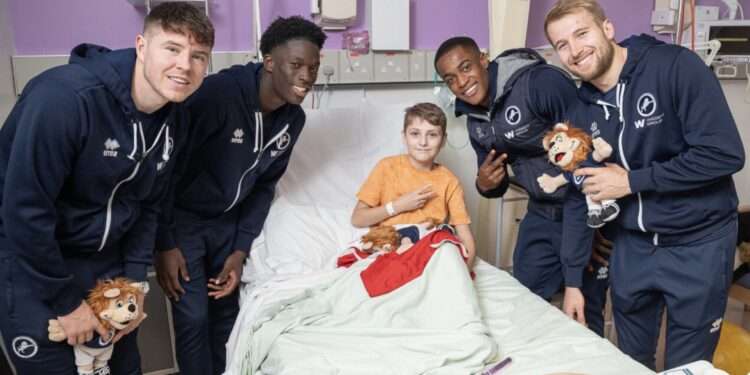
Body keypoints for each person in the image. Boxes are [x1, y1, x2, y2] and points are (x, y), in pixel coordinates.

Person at [0, 3, 213, 374]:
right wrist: (66, 304)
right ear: (142, 46)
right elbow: (24, 213)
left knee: (124, 367)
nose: (185, 65)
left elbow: (148, 206)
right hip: (33, 265)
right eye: (172, 48)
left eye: (198, 56)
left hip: (106, 267)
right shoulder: (65, 101)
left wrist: (133, 284)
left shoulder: (175, 119)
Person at [544, 0, 745, 369]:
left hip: (697, 244)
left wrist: (632, 182)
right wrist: (572, 280)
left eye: (581, 33)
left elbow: (724, 154)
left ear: (607, 29)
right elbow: (578, 193)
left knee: (688, 365)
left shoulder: (674, 67)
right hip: (633, 249)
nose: (574, 51)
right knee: (628, 361)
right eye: (562, 45)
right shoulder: (581, 108)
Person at [154, 16, 326, 375]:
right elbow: (168, 171)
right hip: (184, 221)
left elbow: (264, 186)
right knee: (194, 317)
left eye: (314, 67)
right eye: (296, 65)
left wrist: (239, 249)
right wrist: (166, 242)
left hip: (228, 226)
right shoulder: (217, 97)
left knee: (226, 316)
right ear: (269, 62)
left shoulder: (292, 121)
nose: (307, 76)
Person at [434, 37, 604, 328]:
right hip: (540, 213)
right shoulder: (475, 119)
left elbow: (592, 147)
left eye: (466, 68)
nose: (462, 83)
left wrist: (597, 223)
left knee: (585, 315)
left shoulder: (539, 83)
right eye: (451, 79)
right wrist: (485, 184)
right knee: (524, 304)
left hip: (582, 212)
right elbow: (493, 181)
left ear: (483, 59)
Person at [351, 102, 476, 267]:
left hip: (428, 250)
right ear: (404, 137)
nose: (423, 142)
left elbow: (465, 236)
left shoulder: (449, 181)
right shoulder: (387, 167)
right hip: (392, 246)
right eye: (415, 134)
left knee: (446, 241)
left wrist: (465, 271)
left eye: (432, 135)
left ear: (443, 140)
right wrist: (397, 206)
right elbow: (357, 219)